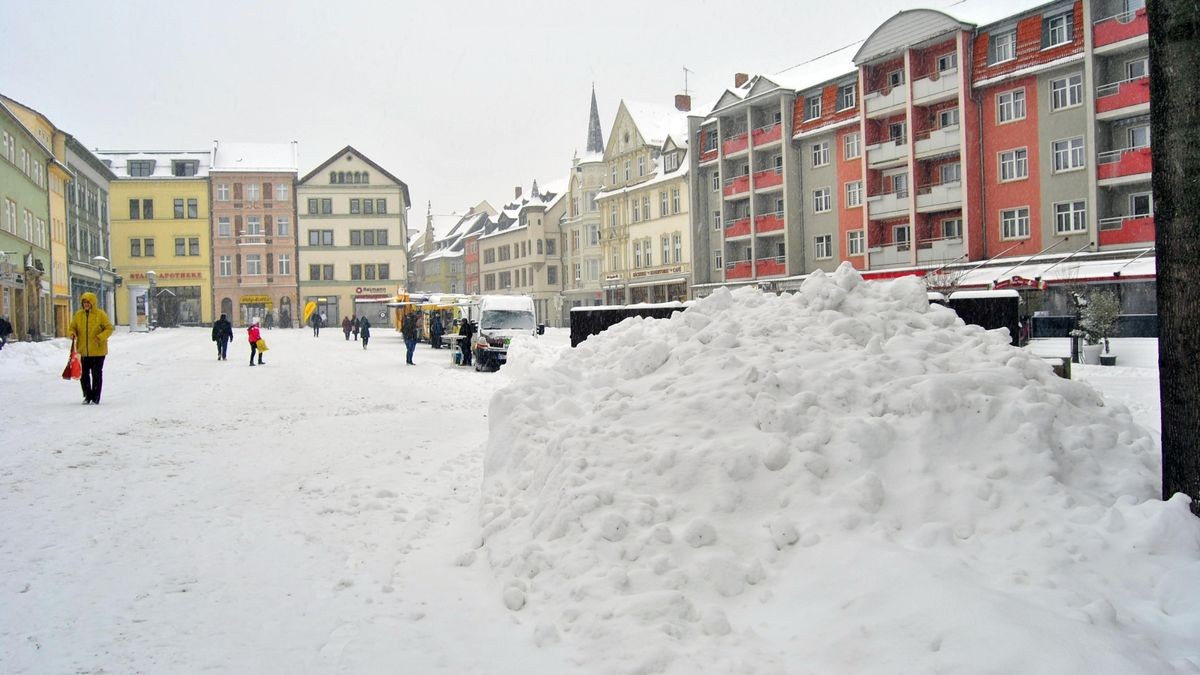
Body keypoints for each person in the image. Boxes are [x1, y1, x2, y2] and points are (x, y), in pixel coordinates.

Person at [67, 291, 114, 404]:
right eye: (84, 302)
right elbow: (72, 328)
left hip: (98, 351)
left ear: (92, 302)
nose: (86, 304)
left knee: (96, 374)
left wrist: (100, 337)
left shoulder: (100, 315)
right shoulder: (78, 315)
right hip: (83, 350)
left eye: (88, 302)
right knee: (83, 375)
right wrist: (72, 333)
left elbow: (109, 328)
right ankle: (88, 396)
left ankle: (96, 397)